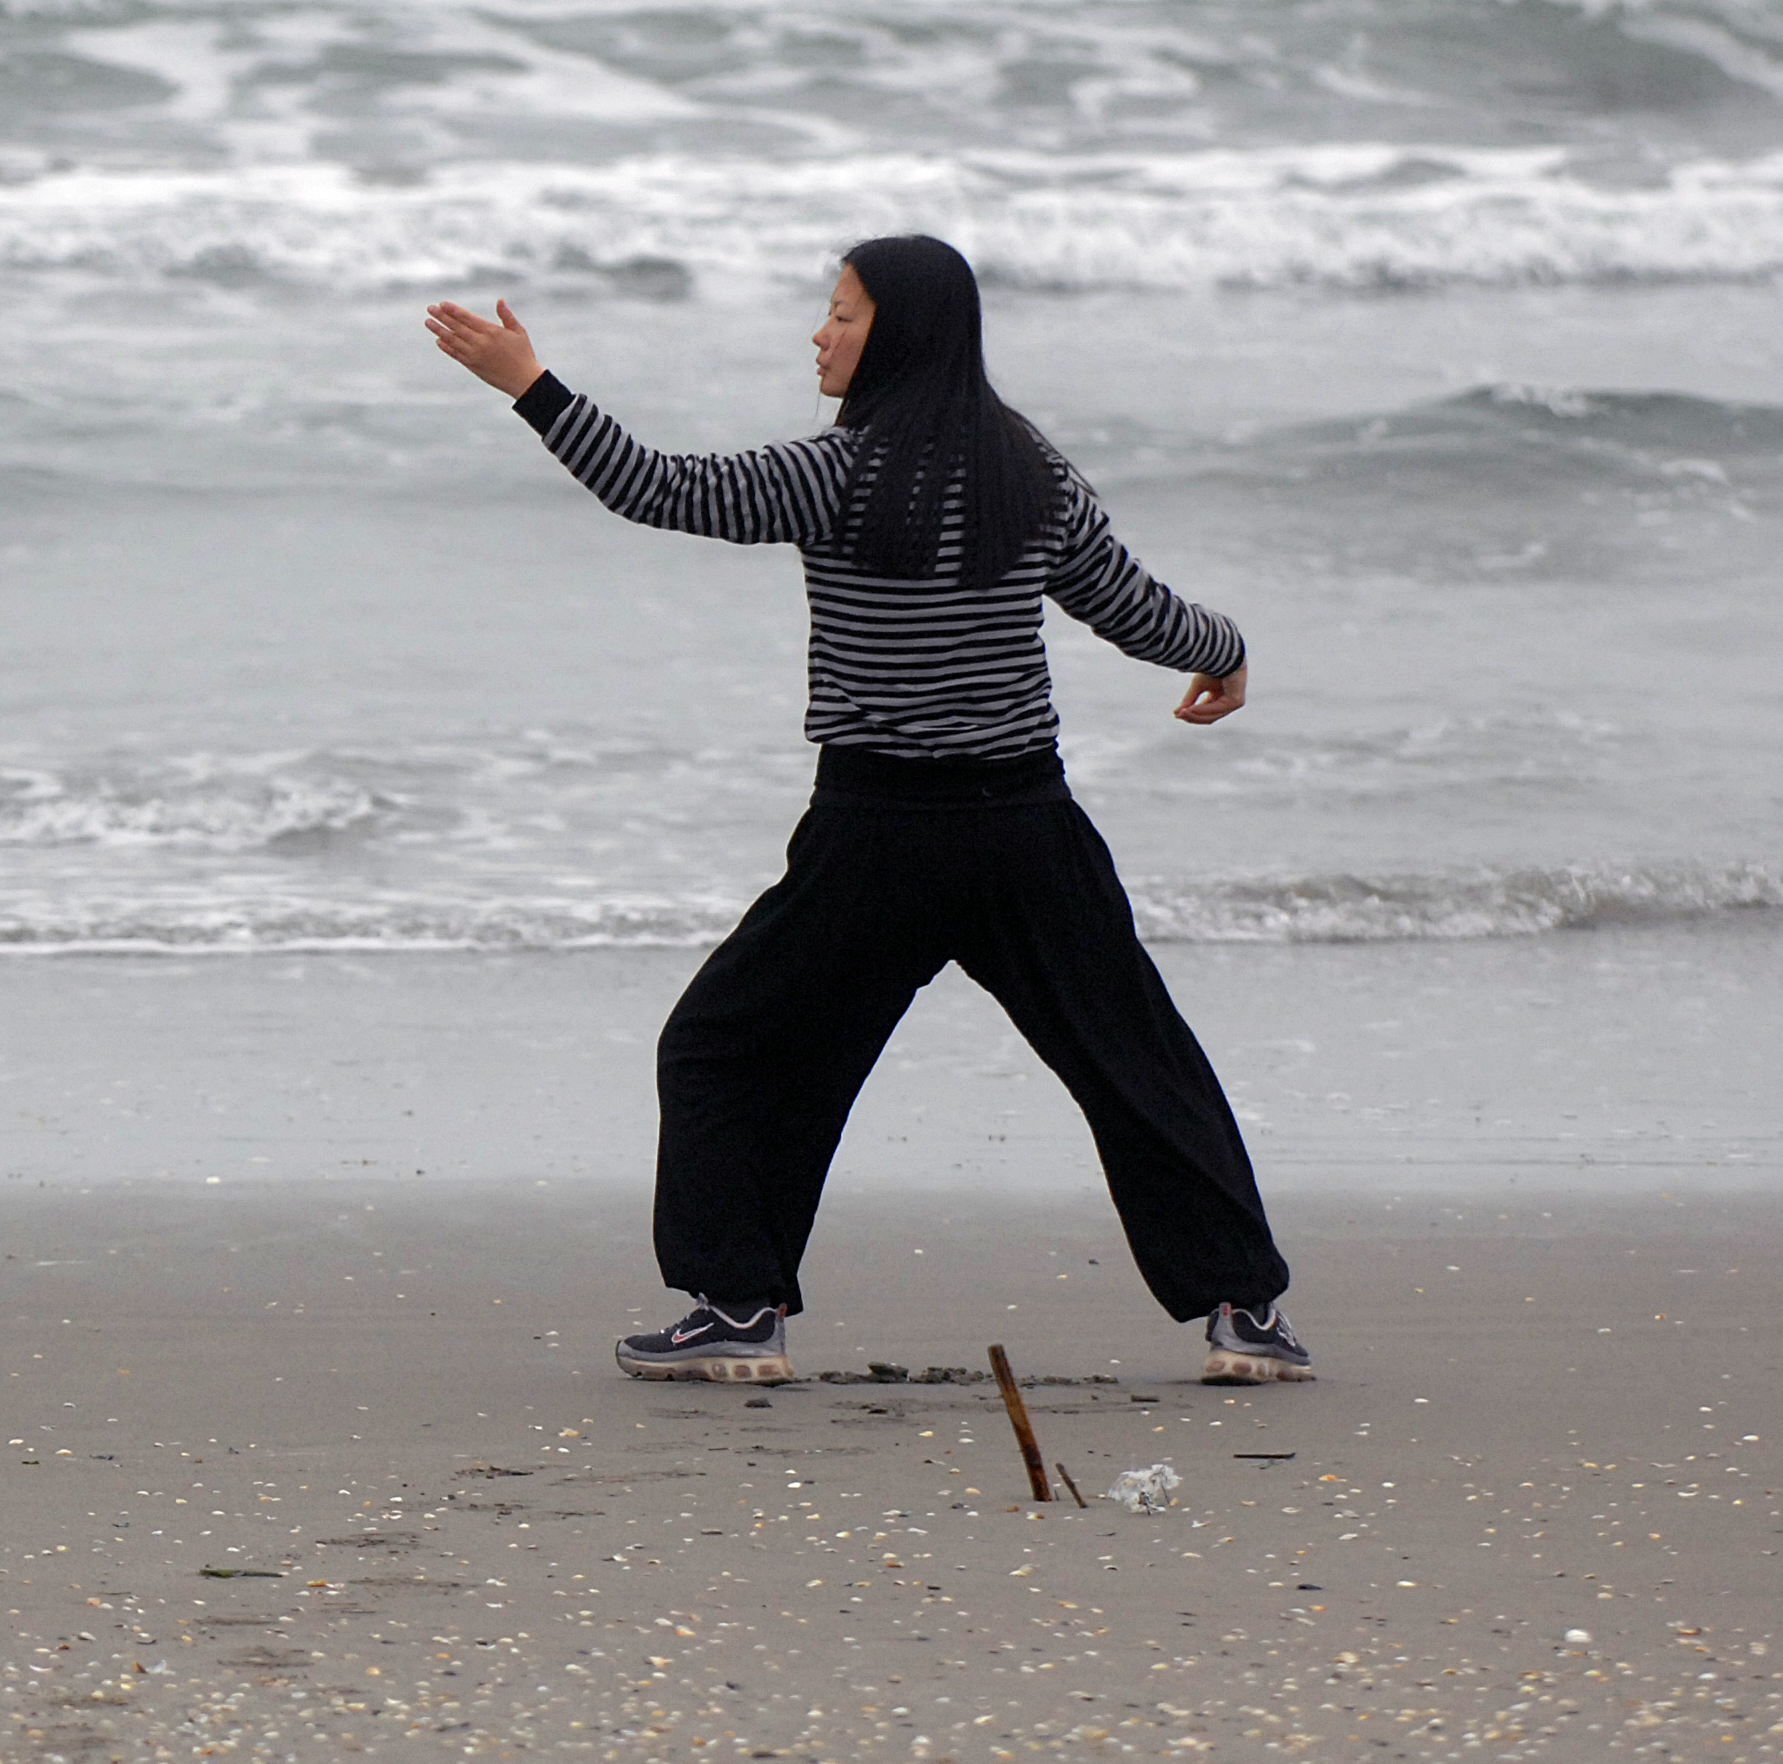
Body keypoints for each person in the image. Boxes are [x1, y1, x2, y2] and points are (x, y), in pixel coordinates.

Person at [422, 237, 1309, 1387]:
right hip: (1023, 832)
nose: (818, 332)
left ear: (898, 334)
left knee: (725, 1049)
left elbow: (657, 487)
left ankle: (739, 1310)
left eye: (839, 313)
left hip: (874, 836)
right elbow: (1130, 608)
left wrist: (531, 389)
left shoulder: (835, 474)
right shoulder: (1024, 468)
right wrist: (1226, 650)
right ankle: (1245, 1312)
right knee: (1136, 1063)